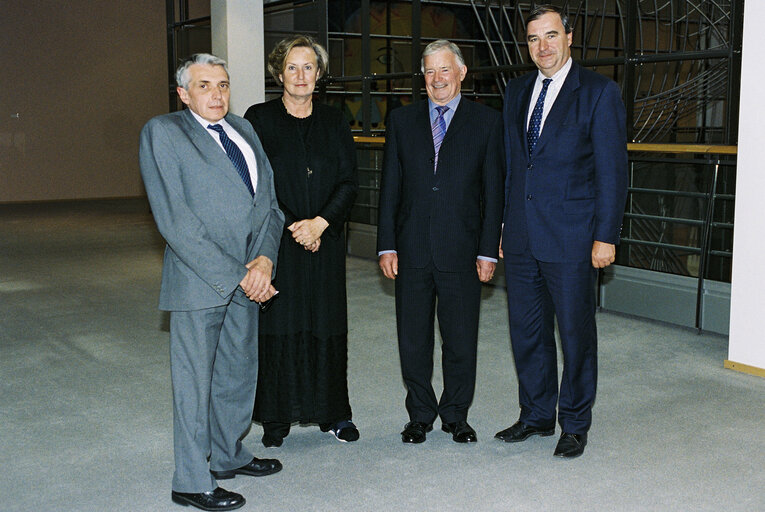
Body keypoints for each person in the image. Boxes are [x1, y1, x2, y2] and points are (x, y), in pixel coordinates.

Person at [139, 53, 285, 511]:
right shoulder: (163, 133)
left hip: (250, 276)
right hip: (201, 280)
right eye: (204, 86)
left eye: (222, 85)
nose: (217, 94)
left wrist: (263, 261)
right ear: (183, 94)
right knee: (194, 383)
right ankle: (190, 479)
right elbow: (176, 221)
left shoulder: (244, 129)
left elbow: (270, 205)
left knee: (237, 374)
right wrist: (239, 274)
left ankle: (227, 454)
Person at [496, 5, 628, 458]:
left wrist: (606, 235)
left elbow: (613, 172)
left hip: (573, 238)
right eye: (534, 39)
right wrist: (501, 226)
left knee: (575, 335)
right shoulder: (515, 92)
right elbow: (512, 168)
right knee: (526, 332)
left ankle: (574, 422)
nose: (543, 47)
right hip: (521, 237)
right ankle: (535, 414)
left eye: (551, 35)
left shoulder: (598, 92)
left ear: (570, 37)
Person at [377, 39, 504, 444]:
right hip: (411, 248)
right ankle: (419, 415)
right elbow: (390, 187)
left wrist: (487, 250)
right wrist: (386, 244)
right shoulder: (402, 120)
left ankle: (455, 415)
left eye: (444, 70)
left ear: (462, 72)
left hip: (463, 251)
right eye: (429, 71)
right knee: (413, 341)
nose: (437, 79)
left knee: (461, 340)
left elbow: (493, 193)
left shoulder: (487, 122)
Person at [243, 35, 359, 447]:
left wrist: (320, 224)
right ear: (279, 73)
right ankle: (276, 419)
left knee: (326, 325)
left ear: (319, 74)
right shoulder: (258, 119)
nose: (301, 75)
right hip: (277, 243)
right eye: (292, 67)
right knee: (279, 325)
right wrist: (296, 226)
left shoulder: (335, 120)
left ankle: (334, 413)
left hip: (324, 243)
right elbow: (253, 184)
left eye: (308, 67)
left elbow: (349, 181)